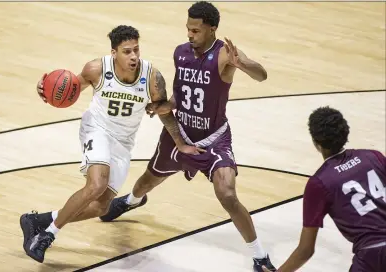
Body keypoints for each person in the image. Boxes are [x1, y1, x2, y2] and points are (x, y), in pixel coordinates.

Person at [99, 2, 277, 271]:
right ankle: (131, 201)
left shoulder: (224, 55)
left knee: (227, 195)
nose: (189, 34)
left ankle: (260, 256)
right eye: (188, 29)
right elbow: (179, 97)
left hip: (213, 140)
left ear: (212, 29)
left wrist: (244, 64)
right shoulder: (180, 53)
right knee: (147, 180)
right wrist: (163, 106)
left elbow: (262, 76)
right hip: (179, 135)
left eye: (196, 30)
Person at [19, 25, 203, 263]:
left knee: (100, 207)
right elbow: (70, 87)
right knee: (97, 184)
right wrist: (46, 90)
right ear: (113, 52)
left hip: (124, 142)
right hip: (97, 129)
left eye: (136, 49)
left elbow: (164, 112)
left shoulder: (152, 78)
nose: (134, 56)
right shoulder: (96, 69)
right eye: (127, 51)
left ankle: (38, 220)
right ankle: (47, 235)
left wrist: (180, 144)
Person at [262, 106, 386, 272]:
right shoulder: (373, 156)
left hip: (371, 255)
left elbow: (305, 250)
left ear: (316, 143)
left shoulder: (319, 183)